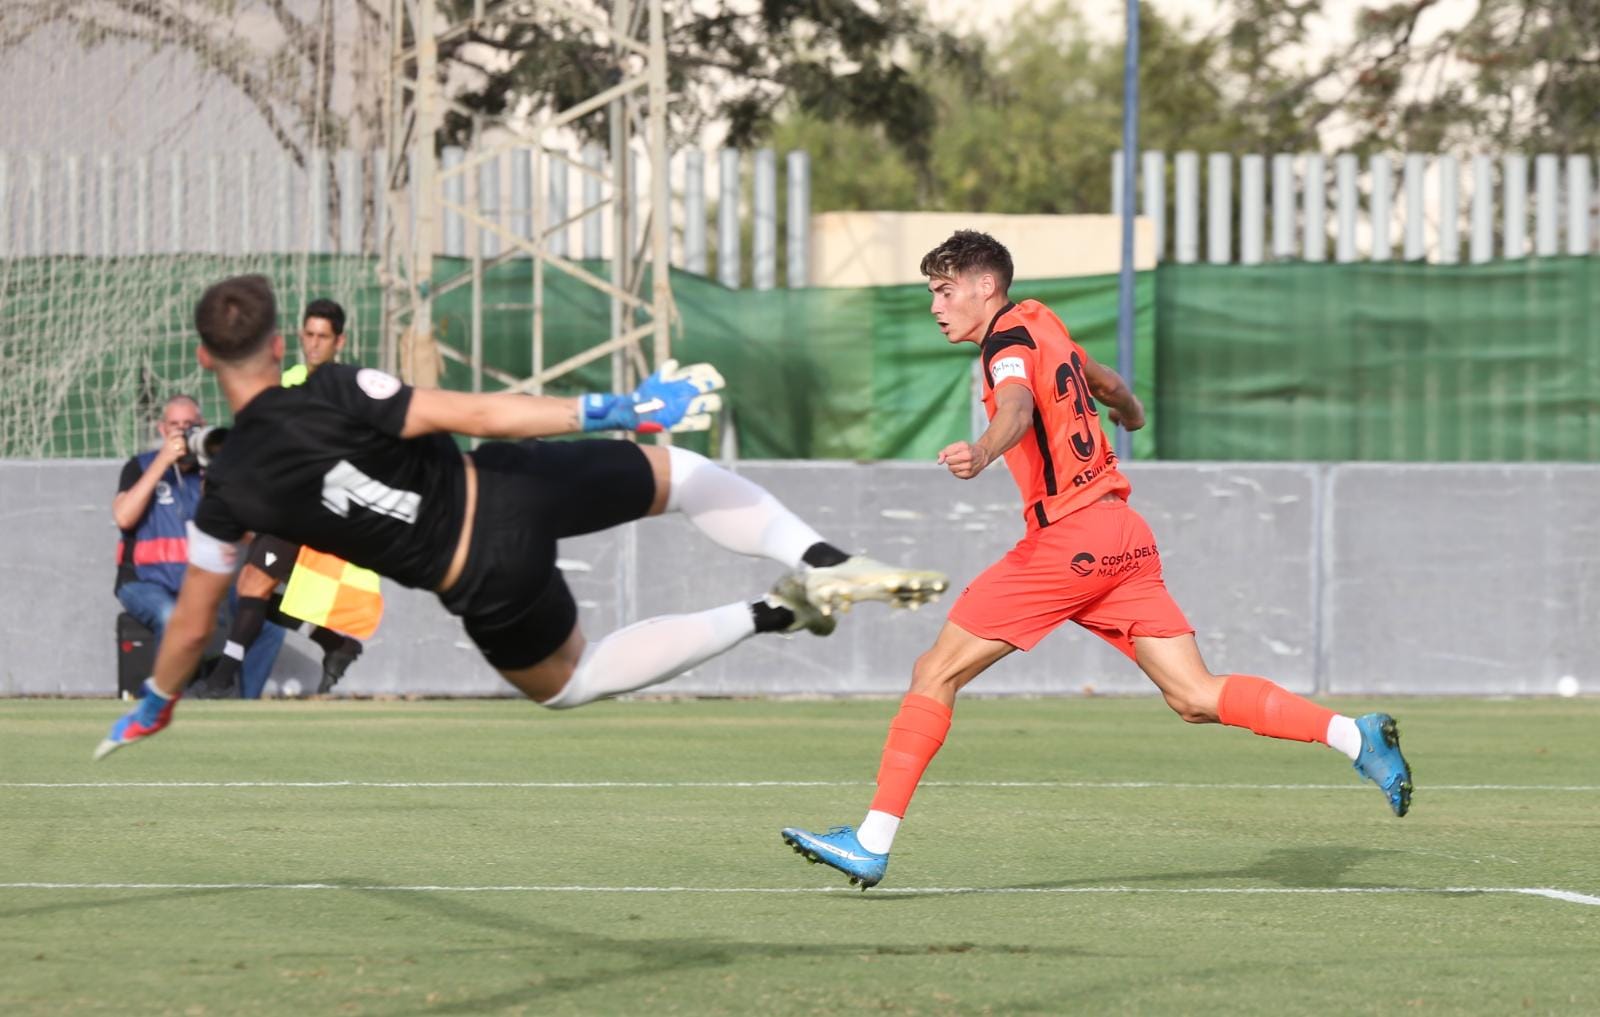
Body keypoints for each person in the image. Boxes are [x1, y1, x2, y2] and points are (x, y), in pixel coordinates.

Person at [780, 230, 1413, 889]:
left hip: (1069, 540)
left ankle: (872, 839)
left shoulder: (1003, 344)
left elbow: (1018, 408)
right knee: (1194, 695)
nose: (935, 306)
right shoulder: (1042, 321)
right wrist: (1132, 411)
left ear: (984, 287)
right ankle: (1354, 736)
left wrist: (983, 449)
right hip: (1123, 535)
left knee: (934, 670)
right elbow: (1102, 379)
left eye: (944, 291)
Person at [95, 274, 947, 758]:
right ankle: (821, 552)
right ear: (282, 345)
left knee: (573, 681)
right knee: (680, 473)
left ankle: (777, 609)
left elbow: (193, 620)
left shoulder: (228, 489)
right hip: (506, 483)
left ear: (206, 358)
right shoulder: (335, 385)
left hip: (484, 576)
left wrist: (161, 697)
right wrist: (620, 407)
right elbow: (477, 412)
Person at [206, 298, 368, 699]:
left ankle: (219, 682)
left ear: (339, 342)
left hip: (317, 507)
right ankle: (336, 644)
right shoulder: (290, 381)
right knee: (251, 592)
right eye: (308, 335)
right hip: (282, 503)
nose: (314, 344)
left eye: (323, 337)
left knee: (254, 585)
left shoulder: (350, 390)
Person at [112, 394, 285, 696]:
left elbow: (245, 534)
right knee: (171, 615)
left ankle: (244, 706)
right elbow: (124, 517)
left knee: (269, 623)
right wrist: (163, 461)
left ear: (203, 427)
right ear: (163, 429)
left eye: (190, 425)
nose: (183, 432)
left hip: (203, 584)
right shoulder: (140, 466)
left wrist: (219, 481)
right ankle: (166, 705)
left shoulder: (214, 473)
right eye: (175, 425)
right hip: (145, 582)